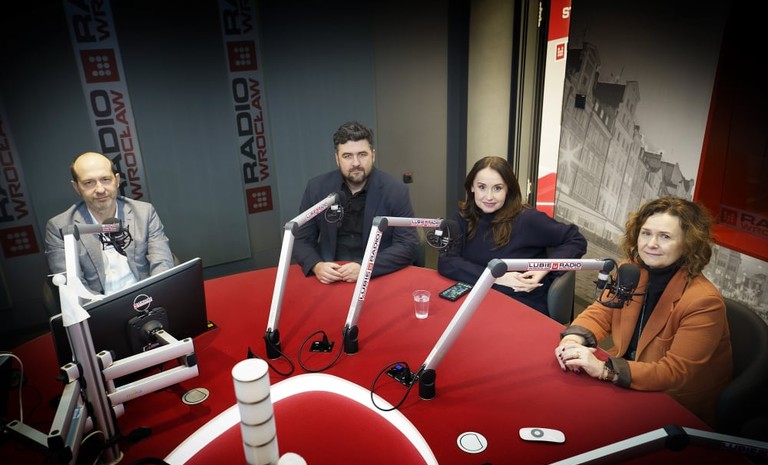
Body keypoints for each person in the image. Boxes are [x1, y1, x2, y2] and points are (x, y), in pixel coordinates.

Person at [555, 196, 732, 427]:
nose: (651, 244)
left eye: (665, 236)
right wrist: (572, 340)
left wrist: (604, 370)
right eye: (646, 233)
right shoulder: (631, 269)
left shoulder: (704, 302)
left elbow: (675, 373)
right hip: (626, 377)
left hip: (672, 402)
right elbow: (601, 312)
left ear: (688, 244)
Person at [437, 156, 587, 314]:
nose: (489, 196)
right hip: (476, 297)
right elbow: (447, 262)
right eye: (482, 187)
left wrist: (545, 267)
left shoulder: (529, 219)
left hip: (519, 302)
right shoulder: (463, 218)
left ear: (508, 189)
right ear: (472, 187)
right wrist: (495, 278)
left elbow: (576, 239)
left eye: (497, 188)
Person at [293, 121, 419, 284]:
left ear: (373, 155)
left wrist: (366, 268)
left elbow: (408, 245)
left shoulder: (395, 191)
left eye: (362, 154)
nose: (356, 163)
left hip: (376, 278)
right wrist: (317, 265)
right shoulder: (317, 188)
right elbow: (301, 239)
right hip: (330, 277)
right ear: (337, 159)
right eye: (347, 156)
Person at [44, 151, 175, 295]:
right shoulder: (59, 228)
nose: (100, 189)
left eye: (106, 179)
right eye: (89, 183)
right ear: (77, 187)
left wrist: (155, 296)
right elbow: (73, 286)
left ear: (117, 180)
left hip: (148, 295)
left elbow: (162, 263)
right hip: (100, 304)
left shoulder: (144, 213)